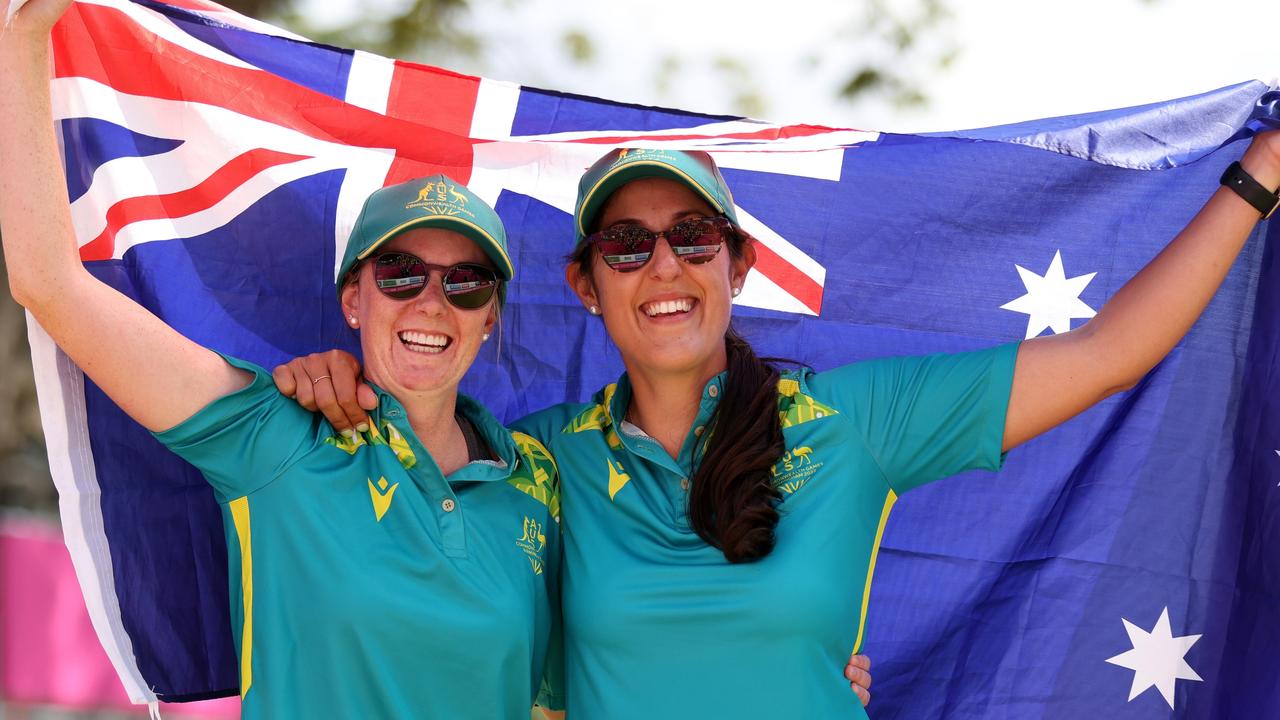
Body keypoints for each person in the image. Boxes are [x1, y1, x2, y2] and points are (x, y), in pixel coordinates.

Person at [281, 132, 1280, 718]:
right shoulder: (537, 460)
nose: (663, 265)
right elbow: (410, 547)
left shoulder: (855, 423)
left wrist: (1256, 177)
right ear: (585, 286)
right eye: (626, 246)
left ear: (737, 265)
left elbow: (1110, 352)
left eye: (692, 237)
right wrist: (340, 384)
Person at [0, 2, 567, 717]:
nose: (431, 302)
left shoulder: (541, 481)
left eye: (465, 282)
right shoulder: (276, 437)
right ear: (353, 299)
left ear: (491, 319)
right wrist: (21, 37)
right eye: (399, 272)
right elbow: (50, 286)